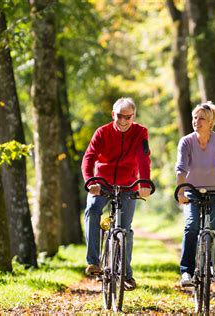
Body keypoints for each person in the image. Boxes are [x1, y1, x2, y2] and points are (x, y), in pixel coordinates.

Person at [81, 97, 152, 291]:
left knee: (125, 230)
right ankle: (93, 261)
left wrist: (144, 182)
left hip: (128, 184)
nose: (123, 121)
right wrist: (90, 181)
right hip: (101, 183)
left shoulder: (140, 132)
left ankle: (126, 275)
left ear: (133, 116)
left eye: (127, 117)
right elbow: (89, 158)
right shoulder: (102, 133)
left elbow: (143, 158)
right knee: (93, 210)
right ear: (113, 114)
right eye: (119, 116)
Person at [175, 101, 215, 287]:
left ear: (211, 123)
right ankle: (186, 271)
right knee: (191, 226)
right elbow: (180, 169)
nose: (196, 121)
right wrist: (180, 191)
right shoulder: (186, 141)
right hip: (192, 192)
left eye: (201, 118)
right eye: (195, 117)